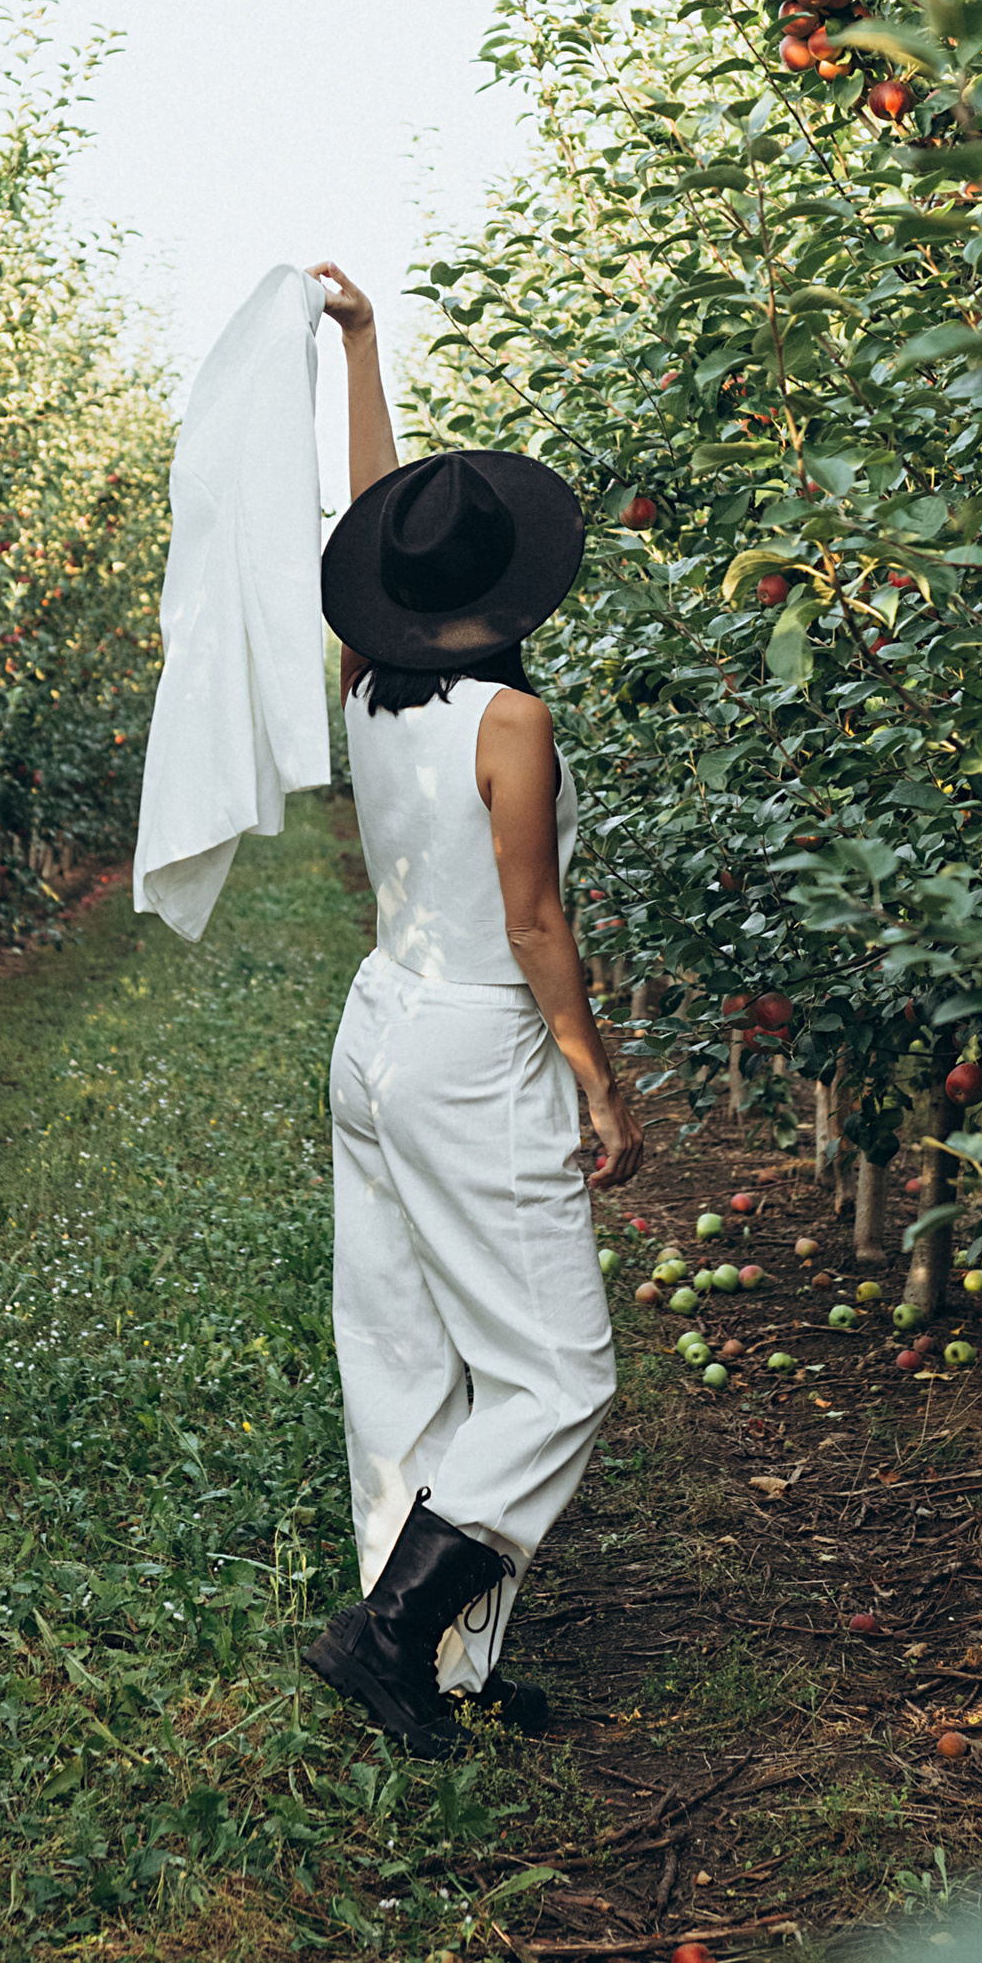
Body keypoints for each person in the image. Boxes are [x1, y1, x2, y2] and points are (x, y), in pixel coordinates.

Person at [301, 263, 642, 1757]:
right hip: (470, 1045)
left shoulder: (370, 684)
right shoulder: (514, 719)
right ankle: (393, 1633)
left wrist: (363, 349)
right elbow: (536, 920)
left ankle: (440, 1669)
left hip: (374, 1028)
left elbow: (367, 513)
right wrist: (595, 1072)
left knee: (403, 1353)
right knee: (558, 1371)